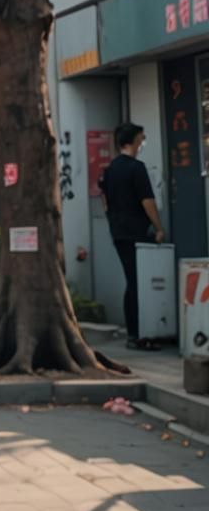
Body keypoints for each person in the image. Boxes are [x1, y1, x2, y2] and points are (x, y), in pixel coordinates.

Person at [98, 122, 167, 352]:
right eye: (142, 138)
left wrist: (113, 221)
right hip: (137, 232)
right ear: (134, 140)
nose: (143, 142)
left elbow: (105, 201)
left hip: (118, 232)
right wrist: (158, 228)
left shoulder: (110, 170)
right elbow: (147, 201)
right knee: (139, 282)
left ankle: (134, 332)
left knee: (132, 280)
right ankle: (139, 334)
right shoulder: (137, 168)